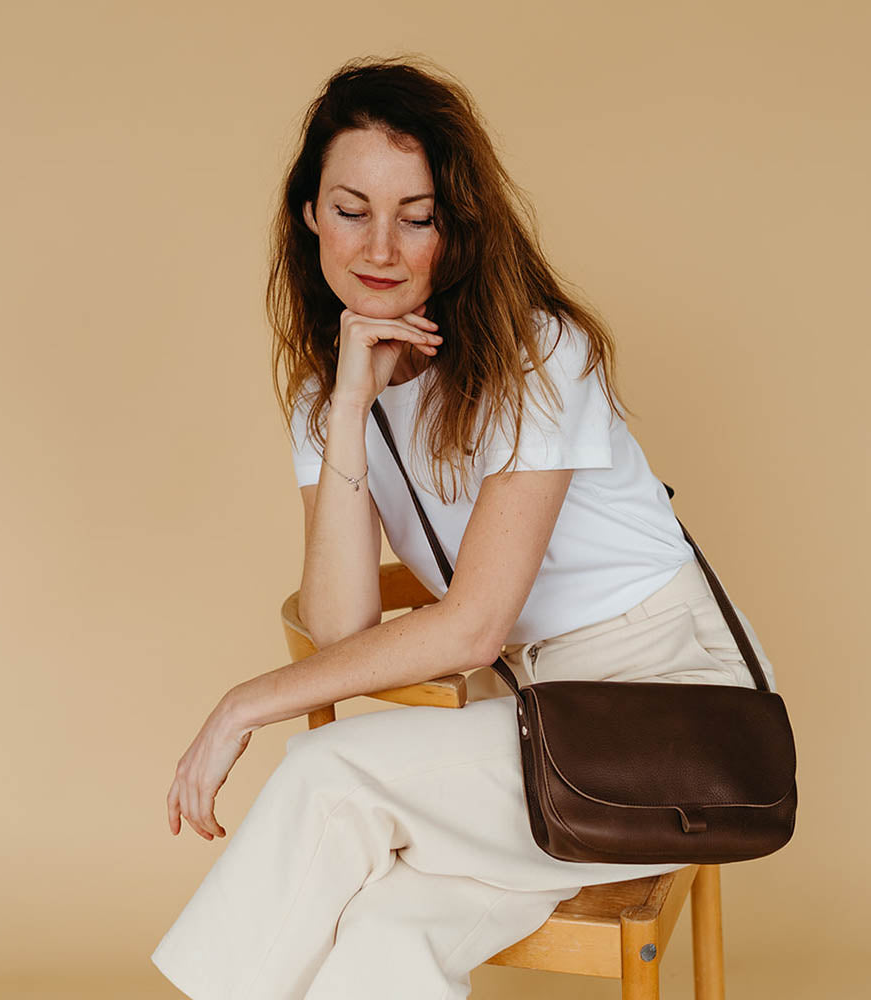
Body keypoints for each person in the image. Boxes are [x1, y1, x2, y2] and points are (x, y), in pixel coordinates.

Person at [150, 56, 777, 1000]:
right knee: (385, 936)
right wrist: (349, 407)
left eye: (418, 216)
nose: (381, 247)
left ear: (460, 226)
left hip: (666, 718)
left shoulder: (540, 354)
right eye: (352, 209)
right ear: (309, 214)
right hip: (532, 721)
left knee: (329, 775)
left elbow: (476, 627)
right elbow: (342, 630)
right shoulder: (332, 393)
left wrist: (245, 704)